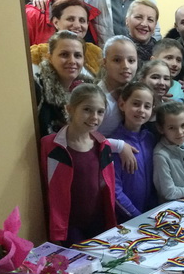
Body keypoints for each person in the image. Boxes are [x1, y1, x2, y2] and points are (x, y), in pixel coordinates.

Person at [40, 83, 117, 245]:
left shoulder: (103, 146)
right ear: (70, 109)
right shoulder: (50, 146)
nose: (94, 117)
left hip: (98, 222)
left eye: (100, 112)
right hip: (69, 226)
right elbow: (47, 189)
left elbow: (108, 186)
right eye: (87, 109)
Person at [110, 82, 157, 222]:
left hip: (150, 215)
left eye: (147, 106)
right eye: (136, 104)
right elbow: (115, 190)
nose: (141, 110)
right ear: (122, 104)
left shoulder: (150, 139)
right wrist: (136, 216)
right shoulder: (114, 145)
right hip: (126, 220)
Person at [35, 30, 93, 136]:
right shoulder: (37, 88)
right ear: (49, 57)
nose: (72, 61)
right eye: (64, 55)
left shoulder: (87, 91)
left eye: (77, 55)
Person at [29, 0, 103, 76]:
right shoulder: (37, 54)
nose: (77, 25)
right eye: (70, 19)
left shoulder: (95, 52)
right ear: (56, 22)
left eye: (82, 20)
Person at [97, 35, 138, 136]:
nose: (126, 66)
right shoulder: (97, 98)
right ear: (104, 62)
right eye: (117, 60)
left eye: (131, 61)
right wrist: (118, 144)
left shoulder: (138, 92)